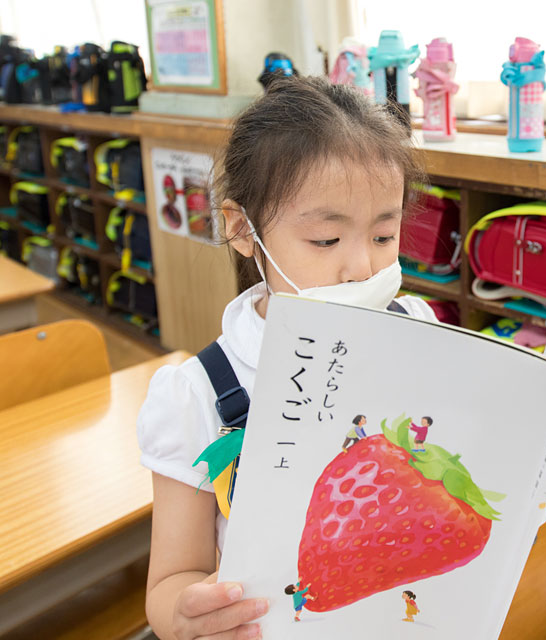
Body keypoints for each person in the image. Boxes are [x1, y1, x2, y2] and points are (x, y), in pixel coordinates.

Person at [137, 75, 436, 640]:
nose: (361, 269)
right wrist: (186, 614)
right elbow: (171, 582)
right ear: (242, 230)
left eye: (383, 236)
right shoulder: (197, 395)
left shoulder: (417, 326)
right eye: (326, 241)